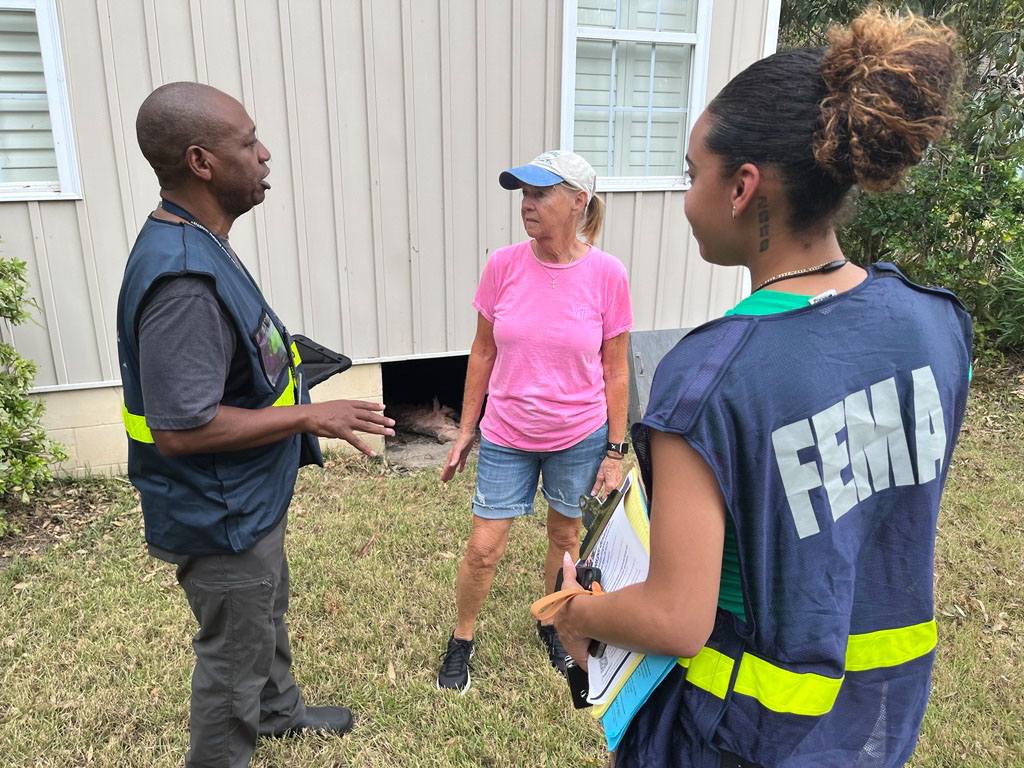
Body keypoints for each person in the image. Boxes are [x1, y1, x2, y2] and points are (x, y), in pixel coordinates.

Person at [552, 10, 970, 768]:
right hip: (875, 726)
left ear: (743, 186)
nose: (685, 199)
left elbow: (679, 618)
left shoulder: (709, 380)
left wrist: (574, 609)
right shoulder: (938, 328)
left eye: (691, 175)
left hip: (735, 737)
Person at [116, 82, 396, 768]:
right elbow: (182, 427)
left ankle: (278, 713)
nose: (264, 154)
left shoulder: (199, 238)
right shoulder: (182, 280)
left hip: (247, 497)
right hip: (219, 513)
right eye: (247, 142)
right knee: (231, 659)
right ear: (201, 161)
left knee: (264, 612)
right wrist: (310, 414)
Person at [436, 150, 634, 693]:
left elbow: (615, 372)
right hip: (506, 433)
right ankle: (462, 638)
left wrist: (615, 452)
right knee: (484, 547)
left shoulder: (607, 275)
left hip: (579, 434)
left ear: (578, 203)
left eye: (540, 193)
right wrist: (465, 429)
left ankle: (551, 620)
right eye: (523, 193)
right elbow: (482, 353)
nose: (527, 204)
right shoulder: (502, 266)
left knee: (565, 533)